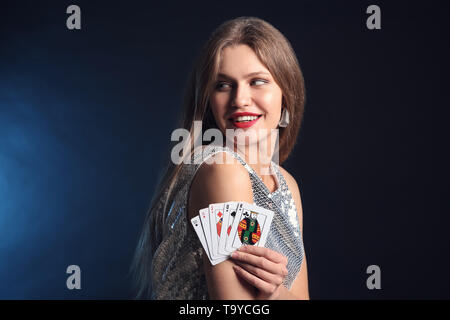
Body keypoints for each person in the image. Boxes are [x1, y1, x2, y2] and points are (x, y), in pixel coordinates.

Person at [130, 16, 309, 300]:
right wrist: (274, 292)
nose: (240, 99)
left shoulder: (287, 184)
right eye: (223, 85)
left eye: (258, 82)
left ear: (286, 95)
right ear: (208, 101)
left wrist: (273, 292)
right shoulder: (223, 171)